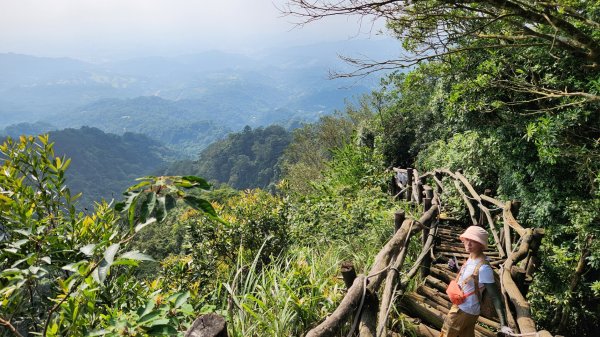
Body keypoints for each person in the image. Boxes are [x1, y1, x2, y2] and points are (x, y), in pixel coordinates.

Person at [440, 226, 514, 337]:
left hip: (463, 310)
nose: (468, 244)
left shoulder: (484, 268)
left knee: (446, 334)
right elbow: (473, 278)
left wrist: (503, 325)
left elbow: (495, 297)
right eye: (467, 239)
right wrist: (457, 269)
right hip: (468, 310)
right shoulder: (472, 257)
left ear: (481, 245)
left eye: (473, 241)